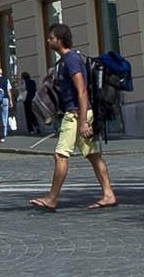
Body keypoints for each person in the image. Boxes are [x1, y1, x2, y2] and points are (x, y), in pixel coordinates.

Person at [28, 21, 119, 211]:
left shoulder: (71, 60)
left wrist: (84, 121)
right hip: (79, 113)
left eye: (51, 38)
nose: (48, 40)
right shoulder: (66, 61)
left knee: (61, 155)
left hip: (77, 115)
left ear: (59, 40)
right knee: (93, 155)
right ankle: (108, 194)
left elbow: (82, 91)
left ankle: (52, 198)